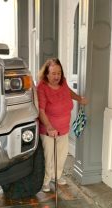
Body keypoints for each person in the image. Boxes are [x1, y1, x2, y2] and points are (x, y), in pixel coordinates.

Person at [37, 58, 87, 192]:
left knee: (61, 155)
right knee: (49, 158)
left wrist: (79, 99)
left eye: (59, 73)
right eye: (53, 73)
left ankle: (56, 176)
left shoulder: (63, 82)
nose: (56, 76)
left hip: (64, 128)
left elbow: (68, 92)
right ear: (46, 74)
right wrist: (49, 127)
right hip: (49, 130)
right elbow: (41, 110)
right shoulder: (42, 87)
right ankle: (45, 181)